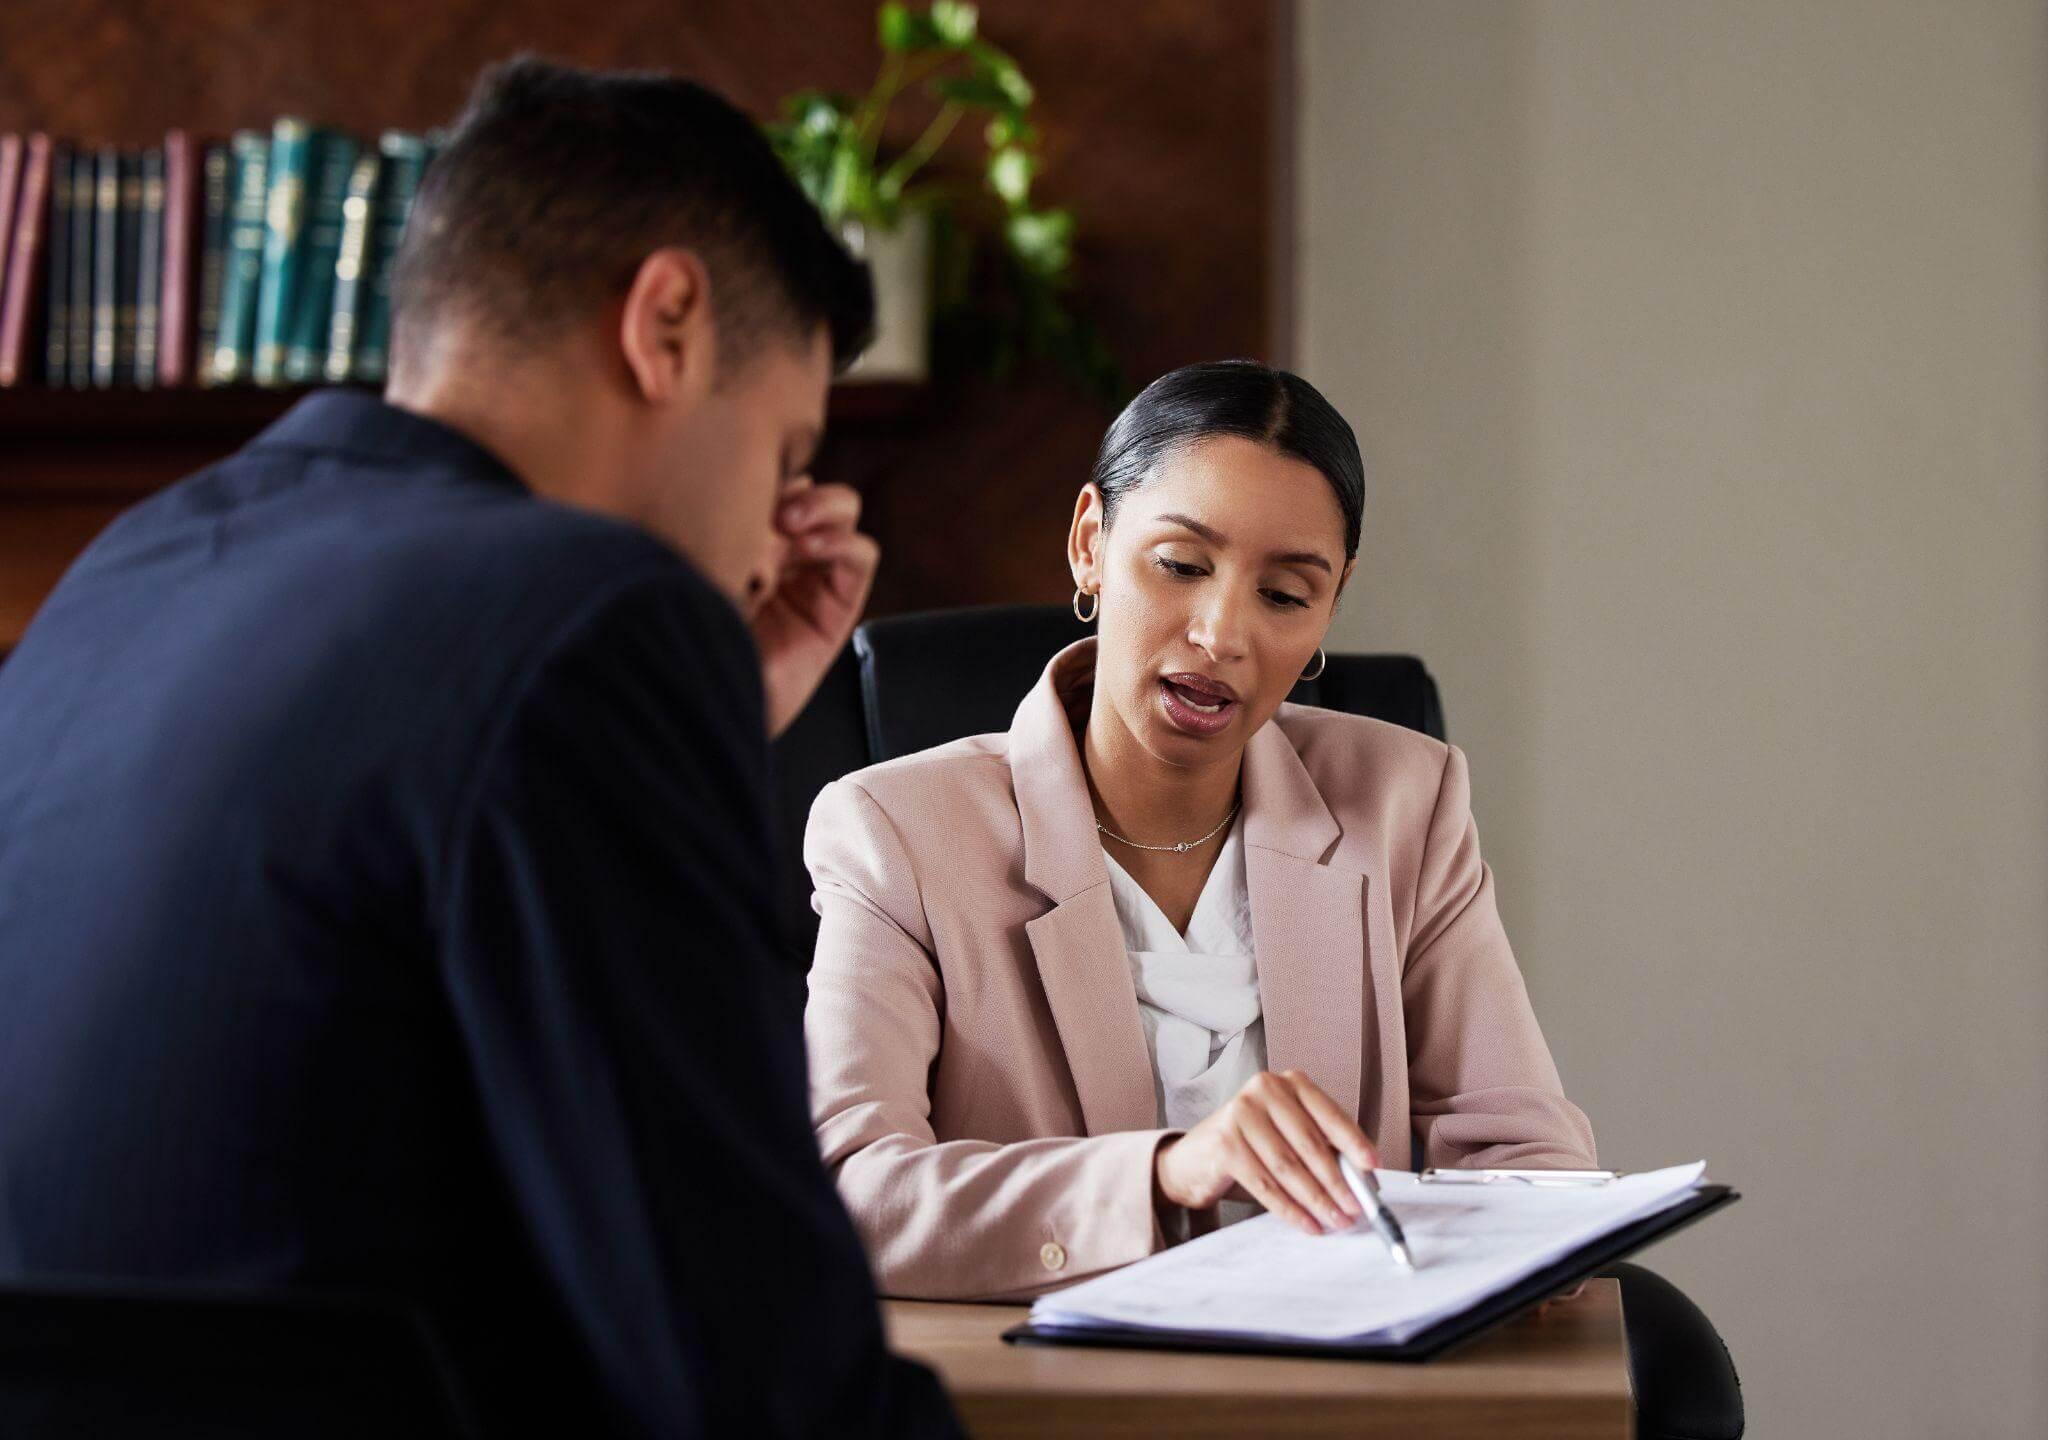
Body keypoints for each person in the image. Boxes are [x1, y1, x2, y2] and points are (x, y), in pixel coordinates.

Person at [0, 57, 960, 1439]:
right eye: (787, 454)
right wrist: (653, 683)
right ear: (669, 323)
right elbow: (749, 1363)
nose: (771, 540)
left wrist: (700, 727)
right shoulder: (592, 616)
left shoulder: (132, 570)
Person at [803, 359, 1597, 1301]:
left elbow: (1528, 1154)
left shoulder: (1403, 803)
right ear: (1091, 542)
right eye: (1180, 566)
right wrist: (1164, 1173)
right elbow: (848, 1195)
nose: (1222, 634)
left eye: (1286, 595)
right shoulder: (898, 832)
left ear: (1332, 604)